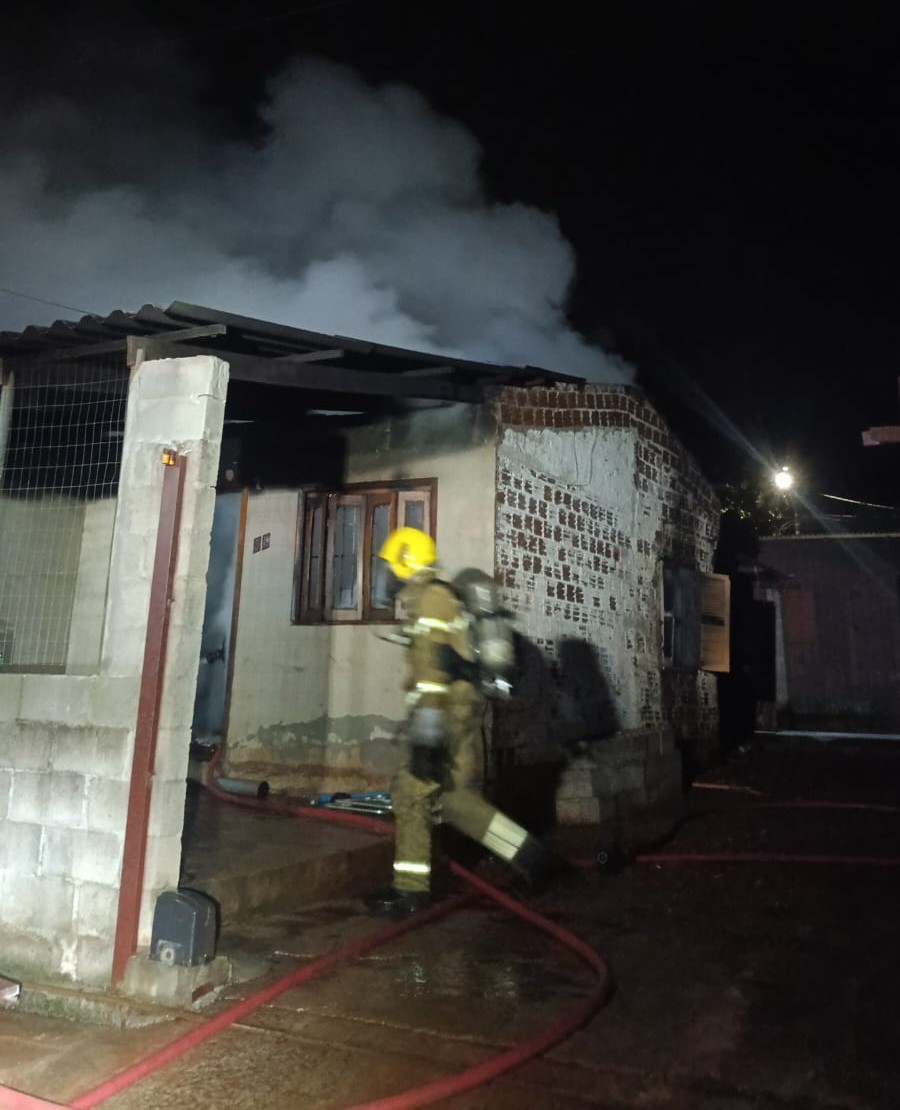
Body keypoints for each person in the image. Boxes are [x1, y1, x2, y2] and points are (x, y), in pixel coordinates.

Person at [366, 527, 554, 918]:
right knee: (456, 801)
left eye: (389, 567)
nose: (385, 576)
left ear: (406, 564)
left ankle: (410, 891)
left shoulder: (432, 600)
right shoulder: (434, 599)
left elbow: (432, 674)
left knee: (411, 792)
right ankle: (533, 857)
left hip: (445, 717)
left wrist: (427, 736)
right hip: (461, 713)